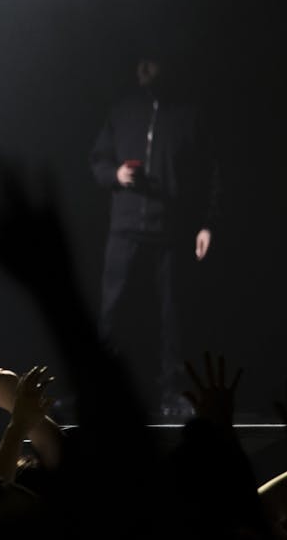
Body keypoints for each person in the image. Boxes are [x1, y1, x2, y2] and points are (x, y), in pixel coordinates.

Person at [88, 49, 222, 419]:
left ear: (167, 65)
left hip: (171, 229)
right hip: (126, 227)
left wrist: (207, 224)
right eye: (139, 62)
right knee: (112, 312)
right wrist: (115, 175)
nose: (143, 69)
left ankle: (173, 395)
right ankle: (101, 390)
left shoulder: (190, 115)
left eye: (152, 61)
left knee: (172, 316)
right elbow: (97, 159)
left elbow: (211, 173)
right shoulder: (123, 111)